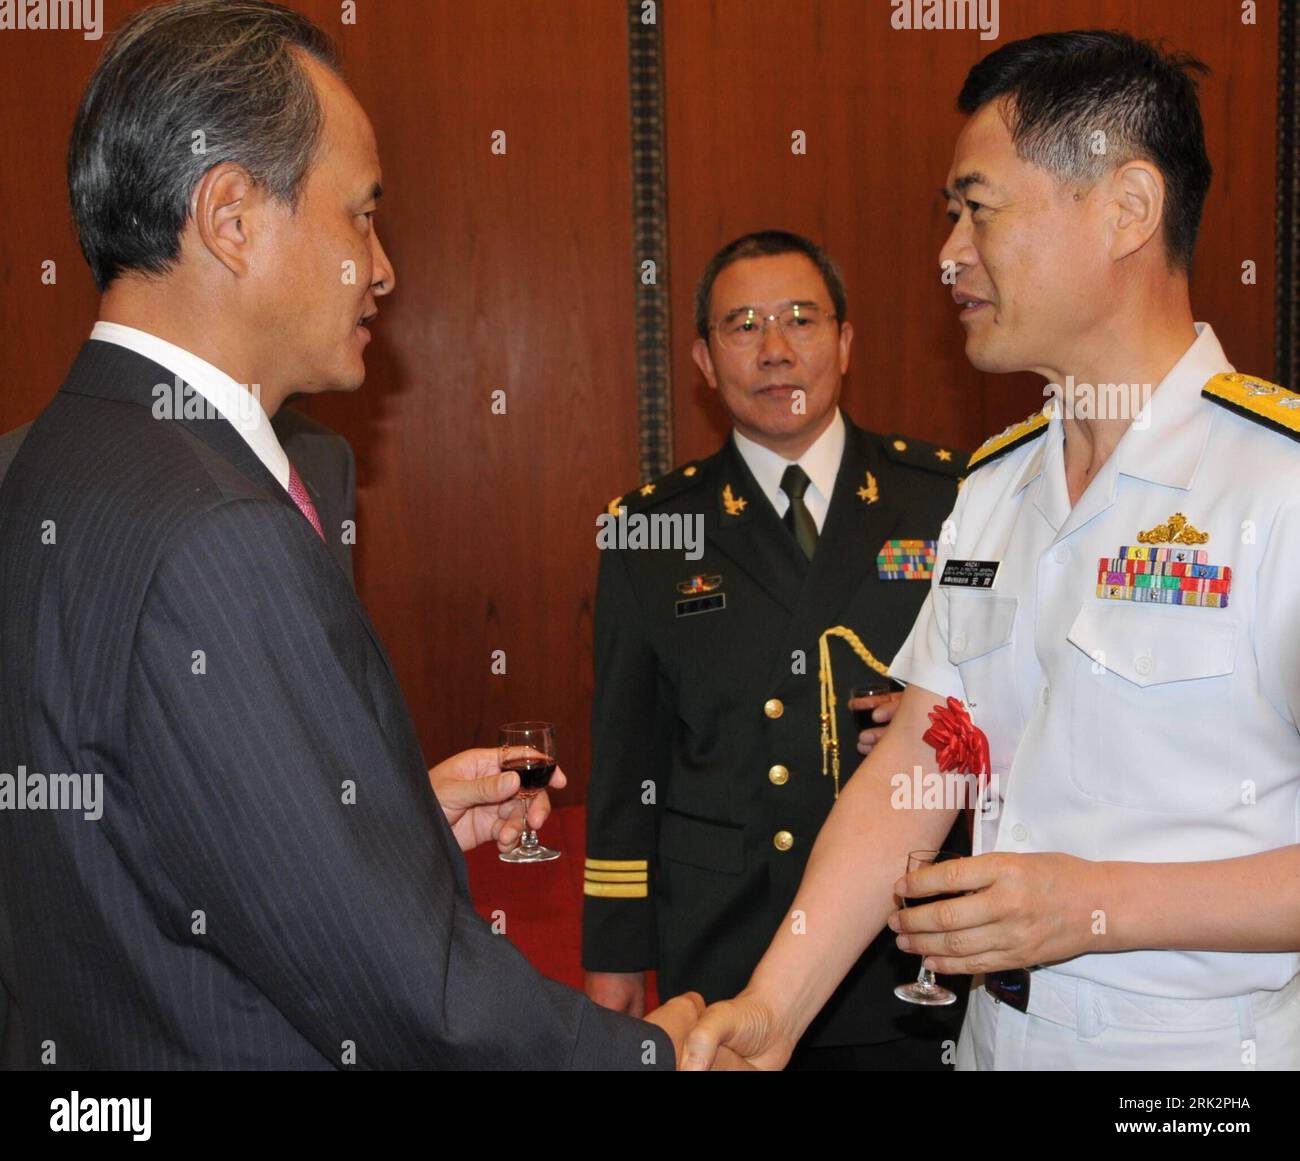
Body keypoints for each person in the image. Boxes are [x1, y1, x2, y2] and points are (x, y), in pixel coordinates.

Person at [0, 0, 706, 1070]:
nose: (384, 270)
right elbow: (410, 996)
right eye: (362, 217)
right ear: (231, 216)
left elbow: (136, 829)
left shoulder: (52, 456)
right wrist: (650, 1058)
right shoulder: (218, 534)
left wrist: (385, 829)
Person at [681, 30, 1300, 1072]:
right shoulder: (995, 484)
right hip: (992, 1045)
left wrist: (1092, 907)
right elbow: (919, 759)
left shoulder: (1274, 486)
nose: (947, 253)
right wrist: (774, 1008)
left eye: (980, 207)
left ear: (1127, 210)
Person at [583, 230, 969, 1069]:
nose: (776, 349)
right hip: (726, 941)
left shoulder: (948, 499)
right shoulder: (652, 529)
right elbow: (626, 760)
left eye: (801, 318)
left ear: (846, 340)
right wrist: (615, 953)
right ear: (702, 357)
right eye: (743, 325)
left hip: (901, 946)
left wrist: (943, 715)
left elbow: (1005, 698)